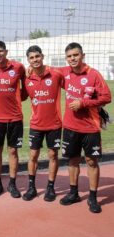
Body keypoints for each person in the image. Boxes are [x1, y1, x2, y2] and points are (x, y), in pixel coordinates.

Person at [59, 42, 111, 213]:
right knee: (72, 161)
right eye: (69, 56)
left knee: (91, 161)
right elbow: (46, 70)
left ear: (82, 55)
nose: (72, 59)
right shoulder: (64, 72)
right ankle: (73, 193)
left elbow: (106, 97)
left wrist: (83, 103)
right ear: (66, 58)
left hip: (90, 128)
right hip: (70, 127)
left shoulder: (94, 75)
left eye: (75, 55)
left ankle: (93, 197)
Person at [0, 40, 26, 199]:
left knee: (13, 151)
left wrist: (19, 97)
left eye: (0, 51)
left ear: (6, 52)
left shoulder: (18, 67)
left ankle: (13, 184)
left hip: (15, 117)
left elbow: (26, 86)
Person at [22, 45, 64, 202]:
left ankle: (50, 188)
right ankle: (31, 187)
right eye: (31, 58)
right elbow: (20, 96)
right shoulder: (27, 79)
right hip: (36, 124)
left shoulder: (56, 74)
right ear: (28, 60)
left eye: (37, 56)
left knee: (53, 155)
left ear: (42, 56)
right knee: (33, 155)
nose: (35, 60)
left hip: (54, 124)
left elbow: (72, 85)